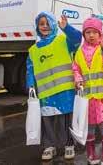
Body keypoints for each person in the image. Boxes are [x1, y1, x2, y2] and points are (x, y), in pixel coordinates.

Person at [26, 12, 82, 161]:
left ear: (53, 24)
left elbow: (77, 39)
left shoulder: (63, 40)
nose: (45, 26)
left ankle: (68, 144)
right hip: (45, 92)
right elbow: (30, 69)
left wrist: (67, 28)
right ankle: (48, 146)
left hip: (64, 90)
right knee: (47, 119)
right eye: (41, 24)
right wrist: (31, 85)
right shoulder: (33, 50)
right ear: (37, 27)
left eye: (47, 23)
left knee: (65, 119)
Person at [72, 17, 103, 165]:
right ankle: (90, 154)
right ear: (84, 35)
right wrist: (77, 79)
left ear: (100, 33)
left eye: (94, 32)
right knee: (89, 127)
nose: (91, 35)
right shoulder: (79, 52)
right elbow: (76, 68)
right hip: (88, 98)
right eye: (88, 32)